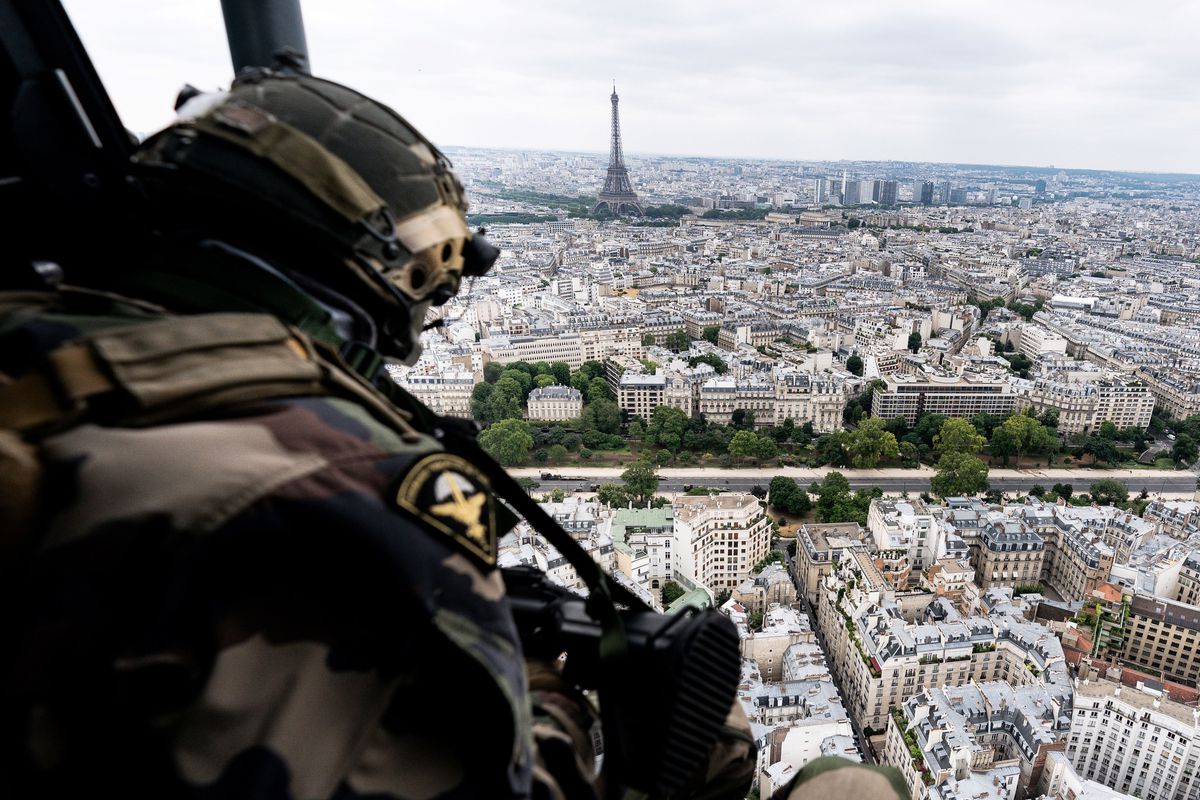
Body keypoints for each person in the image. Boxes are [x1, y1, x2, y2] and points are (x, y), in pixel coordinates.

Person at [0, 69, 757, 798]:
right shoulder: (333, 482)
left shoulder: (34, 346)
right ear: (385, 276)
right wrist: (547, 691)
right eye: (430, 292)